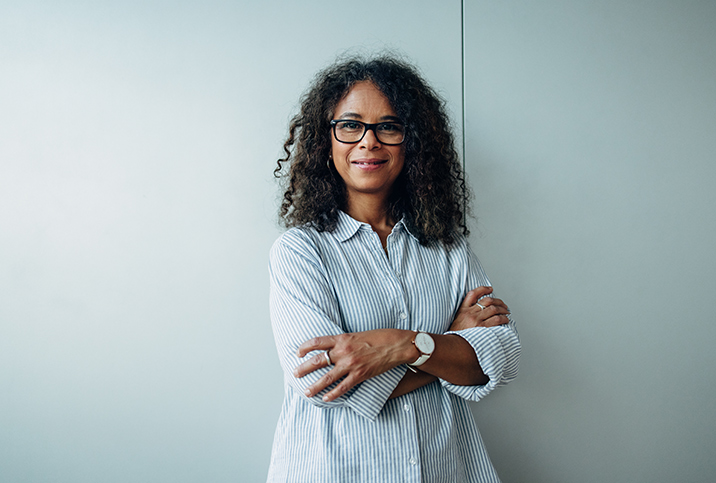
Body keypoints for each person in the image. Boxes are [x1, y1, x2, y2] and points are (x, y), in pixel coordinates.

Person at [268, 54, 521, 483]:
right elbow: (327, 386)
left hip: (445, 468)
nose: (368, 142)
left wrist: (402, 345)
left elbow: (501, 357)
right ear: (324, 142)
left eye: (389, 126)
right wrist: (447, 346)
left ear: (412, 143)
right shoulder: (299, 252)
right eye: (350, 125)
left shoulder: (449, 250)